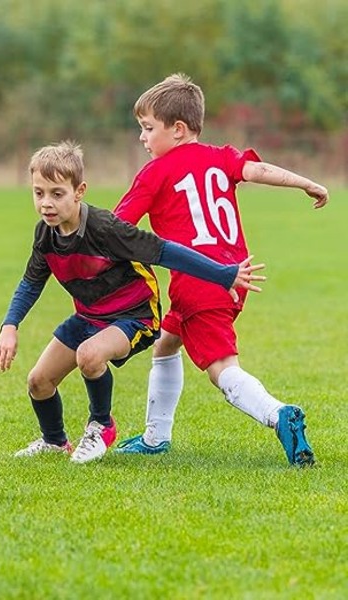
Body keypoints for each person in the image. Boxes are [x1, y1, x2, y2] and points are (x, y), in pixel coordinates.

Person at [0, 141, 265, 464]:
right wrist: (10, 326)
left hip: (135, 315)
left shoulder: (105, 229)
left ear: (79, 191)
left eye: (57, 193)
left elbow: (166, 252)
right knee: (38, 382)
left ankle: (101, 425)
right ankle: (54, 441)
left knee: (89, 355)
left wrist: (223, 274)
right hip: (90, 316)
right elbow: (31, 282)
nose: (46, 203)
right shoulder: (45, 235)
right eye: (39, 193)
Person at [113, 73, 328, 466]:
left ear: (177, 130)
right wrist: (307, 183)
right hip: (233, 274)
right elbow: (259, 171)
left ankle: (278, 414)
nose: (142, 138)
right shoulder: (221, 156)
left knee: (222, 370)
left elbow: (117, 227)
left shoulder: (155, 173)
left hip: (199, 281)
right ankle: (155, 436)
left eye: (147, 128)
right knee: (166, 343)